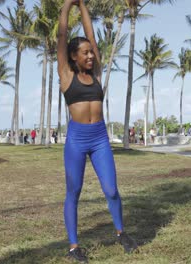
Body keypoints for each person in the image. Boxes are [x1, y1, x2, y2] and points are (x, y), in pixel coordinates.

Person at [57, 1, 137, 262]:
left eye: (91, 53)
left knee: (112, 189)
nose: (90, 56)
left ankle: (121, 232)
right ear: (73, 56)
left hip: (100, 138)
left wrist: (83, 6)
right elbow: (61, 36)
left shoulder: (97, 74)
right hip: (77, 139)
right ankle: (73, 247)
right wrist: (68, 7)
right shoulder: (67, 75)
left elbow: (91, 35)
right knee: (74, 191)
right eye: (84, 53)